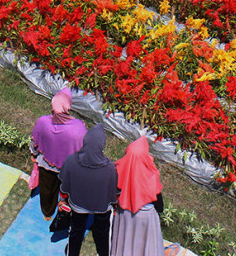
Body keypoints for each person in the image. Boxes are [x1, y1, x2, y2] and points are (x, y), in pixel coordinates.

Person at [59, 124, 118, 256]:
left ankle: (72, 253)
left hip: (78, 205)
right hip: (101, 207)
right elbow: (113, 192)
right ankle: (103, 253)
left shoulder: (71, 161)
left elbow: (64, 185)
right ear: (101, 145)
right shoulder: (109, 168)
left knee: (76, 230)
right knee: (103, 232)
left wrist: (62, 200)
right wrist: (115, 206)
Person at [30, 88, 87, 222]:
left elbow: (35, 142)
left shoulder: (43, 122)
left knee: (47, 190)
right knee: (65, 189)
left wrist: (34, 155)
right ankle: (63, 207)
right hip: (68, 169)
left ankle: (47, 213)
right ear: (68, 106)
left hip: (46, 164)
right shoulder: (79, 128)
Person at [110, 137, 164, 256]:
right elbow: (160, 207)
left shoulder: (119, 170)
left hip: (125, 215)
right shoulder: (151, 176)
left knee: (125, 243)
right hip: (145, 219)